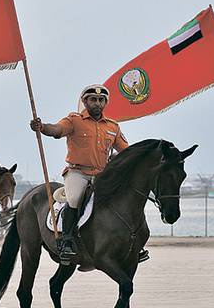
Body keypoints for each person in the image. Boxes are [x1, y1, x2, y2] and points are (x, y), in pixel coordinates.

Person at [30, 84, 148, 264]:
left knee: (124, 200)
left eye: (101, 100)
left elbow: (126, 151)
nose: (97, 103)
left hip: (103, 175)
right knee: (75, 198)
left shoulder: (113, 127)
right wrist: (43, 127)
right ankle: (67, 241)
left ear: (105, 103)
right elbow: (57, 130)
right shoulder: (74, 120)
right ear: (85, 101)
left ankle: (133, 244)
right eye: (93, 100)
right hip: (78, 173)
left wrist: (145, 157)